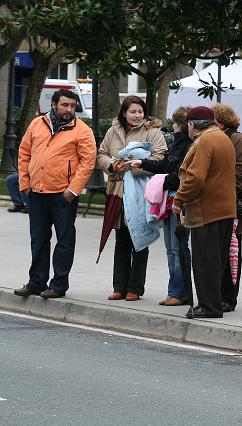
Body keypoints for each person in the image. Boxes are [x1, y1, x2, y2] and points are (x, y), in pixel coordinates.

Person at [14, 89, 96, 299]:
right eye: (65, 105)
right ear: (54, 105)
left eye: (72, 106)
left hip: (63, 195)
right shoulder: (37, 124)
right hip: (37, 193)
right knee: (39, 240)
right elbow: (24, 153)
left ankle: (58, 285)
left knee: (65, 241)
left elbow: (87, 163)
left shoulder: (82, 130)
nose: (69, 109)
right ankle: (35, 283)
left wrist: (72, 191)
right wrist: (25, 184)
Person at [97, 96, 167, 302]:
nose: (137, 116)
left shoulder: (153, 133)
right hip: (117, 191)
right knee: (121, 240)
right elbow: (100, 154)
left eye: (140, 112)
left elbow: (161, 159)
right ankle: (119, 286)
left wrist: (138, 165)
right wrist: (113, 164)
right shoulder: (112, 131)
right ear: (124, 113)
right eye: (132, 112)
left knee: (140, 239)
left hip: (141, 193)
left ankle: (135, 288)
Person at [172, 106, 236, 319]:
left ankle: (209, 307)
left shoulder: (204, 141)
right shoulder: (223, 137)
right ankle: (213, 303)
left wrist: (179, 200)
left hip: (207, 211)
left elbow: (195, 178)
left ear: (192, 125)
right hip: (225, 210)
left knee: (204, 262)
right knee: (216, 261)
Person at [128, 106, 193, 306]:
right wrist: (143, 163)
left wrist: (162, 182)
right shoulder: (177, 144)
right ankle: (174, 291)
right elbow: (164, 165)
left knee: (177, 247)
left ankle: (179, 292)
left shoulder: (188, 146)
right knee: (171, 248)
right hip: (169, 200)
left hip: (177, 200)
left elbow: (179, 175)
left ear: (180, 125)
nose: (172, 127)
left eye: (174, 123)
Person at [212, 103, 242, 313]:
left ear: (220, 123)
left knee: (231, 254)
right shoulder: (219, 139)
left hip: (231, 206)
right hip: (218, 206)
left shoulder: (238, 141)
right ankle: (218, 294)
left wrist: (222, 190)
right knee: (220, 253)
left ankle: (228, 297)